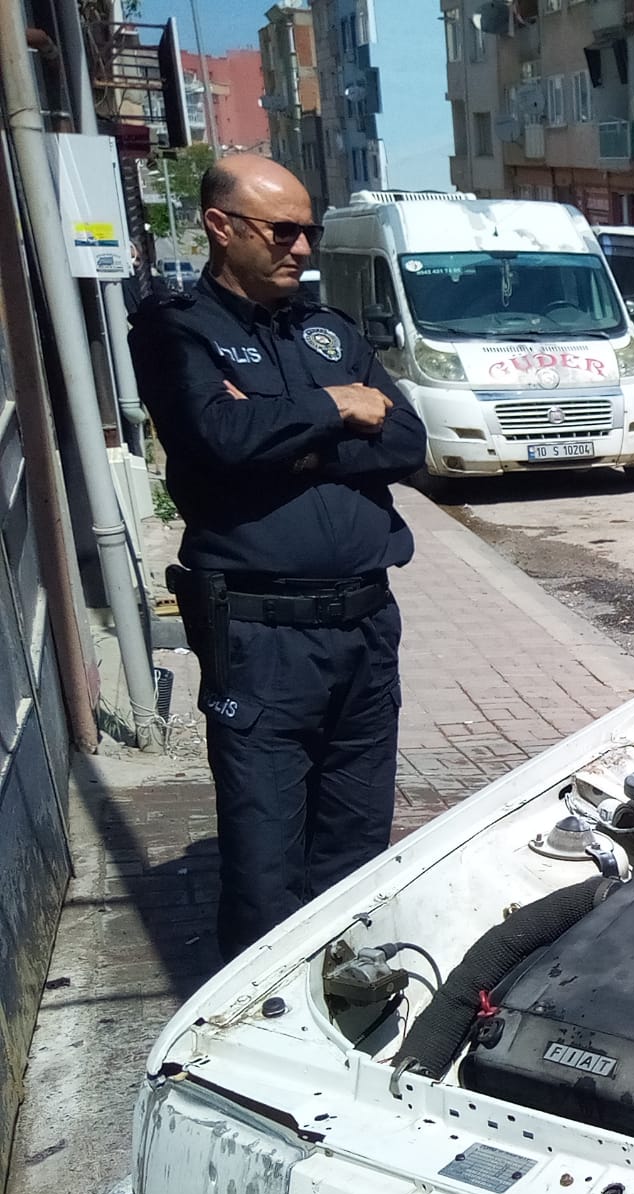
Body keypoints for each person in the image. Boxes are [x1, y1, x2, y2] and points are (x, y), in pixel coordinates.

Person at [130, 155, 425, 958]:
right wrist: (338, 407)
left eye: (310, 230)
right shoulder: (180, 327)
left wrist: (290, 437)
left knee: (357, 841)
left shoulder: (328, 329)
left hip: (366, 629)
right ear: (221, 228)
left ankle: (343, 987)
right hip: (261, 640)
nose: (303, 248)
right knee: (265, 860)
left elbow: (406, 442)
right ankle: (258, 1027)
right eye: (284, 231)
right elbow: (218, 440)